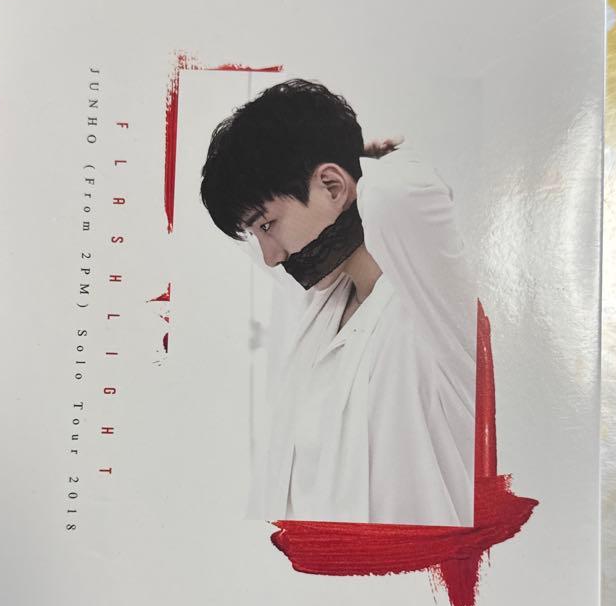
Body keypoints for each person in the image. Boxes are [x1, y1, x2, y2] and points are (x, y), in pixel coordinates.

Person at [200, 79, 477, 527]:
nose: (270, 257)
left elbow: (402, 193)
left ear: (333, 187)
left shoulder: (431, 311)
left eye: (267, 225)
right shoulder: (320, 308)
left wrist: (360, 160)